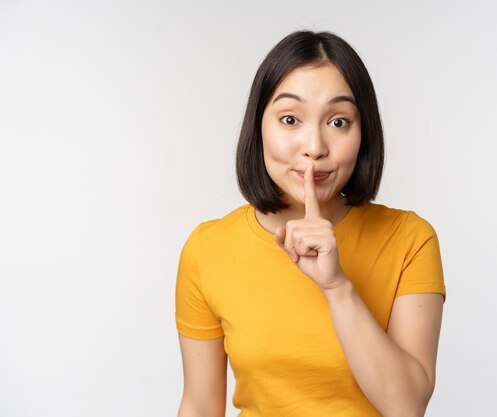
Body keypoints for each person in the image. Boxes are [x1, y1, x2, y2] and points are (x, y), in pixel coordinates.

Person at [175, 30, 446, 417]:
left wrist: (336, 287)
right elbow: (200, 405)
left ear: (363, 132)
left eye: (338, 122)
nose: (315, 147)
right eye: (290, 119)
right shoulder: (208, 248)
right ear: (259, 127)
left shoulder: (409, 239)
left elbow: (407, 406)